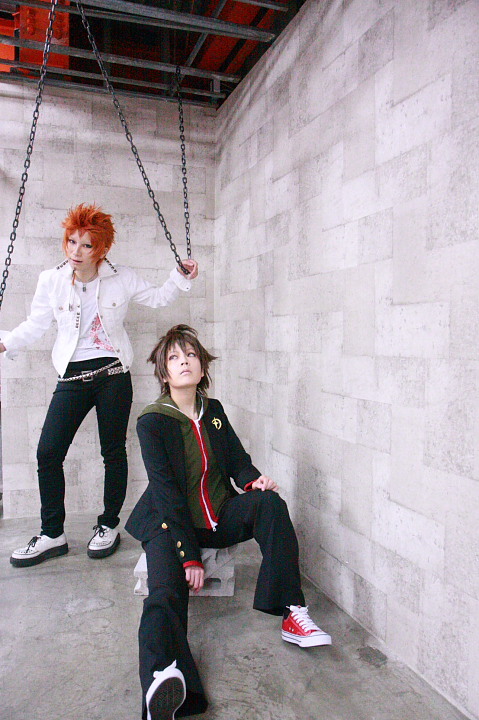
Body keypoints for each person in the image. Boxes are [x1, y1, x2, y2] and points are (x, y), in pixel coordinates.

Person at [125, 324, 331, 720]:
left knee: (270, 504)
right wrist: (189, 556)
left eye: (191, 355)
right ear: (164, 372)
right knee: (164, 592)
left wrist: (254, 481)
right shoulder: (152, 421)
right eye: (174, 357)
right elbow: (166, 494)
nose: (184, 361)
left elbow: (236, 459)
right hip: (168, 523)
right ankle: (161, 678)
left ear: (202, 367)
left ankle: (291, 611)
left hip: (217, 515)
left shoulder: (213, 411)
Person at [1, 203, 198, 568]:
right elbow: (36, 324)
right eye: (71, 241)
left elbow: (157, 298)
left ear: (102, 248)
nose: (76, 251)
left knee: (113, 451)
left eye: (87, 245)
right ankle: (52, 534)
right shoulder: (51, 280)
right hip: (72, 376)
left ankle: (108, 525)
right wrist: (5, 342)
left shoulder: (121, 277)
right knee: (48, 453)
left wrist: (179, 276)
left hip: (113, 375)